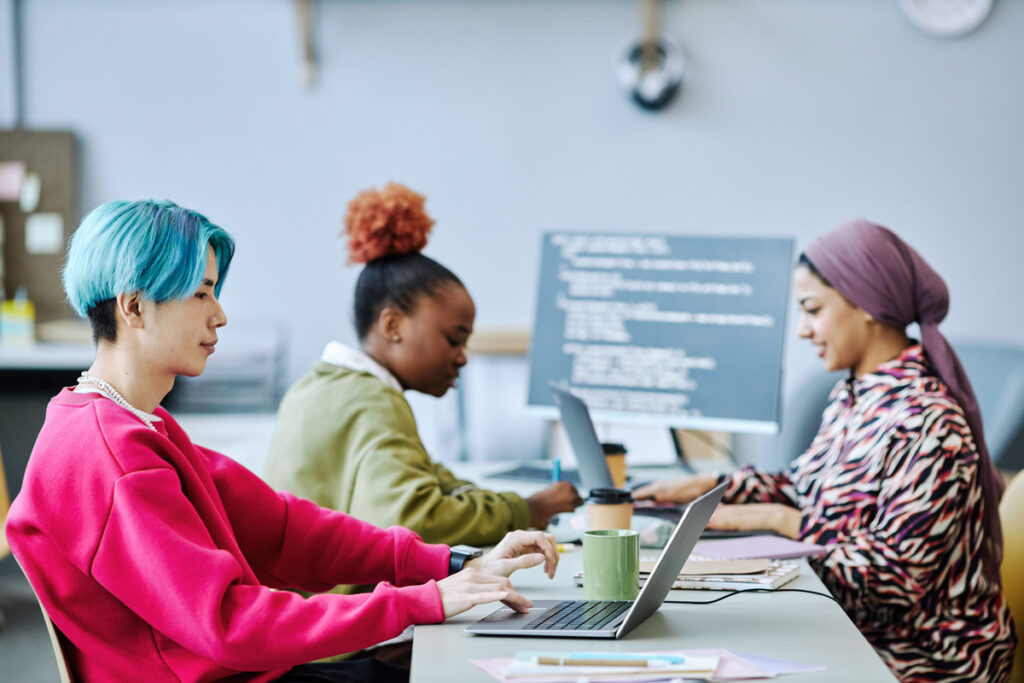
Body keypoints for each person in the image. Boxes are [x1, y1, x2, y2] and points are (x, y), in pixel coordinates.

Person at [4, 199, 560, 683]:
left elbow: (289, 530)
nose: (220, 315)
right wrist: (426, 601)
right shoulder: (110, 454)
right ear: (133, 307)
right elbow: (229, 622)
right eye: (201, 294)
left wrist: (453, 563)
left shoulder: (136, 425)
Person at [635, 219, 1016, 682]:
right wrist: (719, 486)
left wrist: (781, 521)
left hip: (922, 659)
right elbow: (806, 487)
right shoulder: (856, 395)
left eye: (812, 309)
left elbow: (891, 581)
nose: (801, 330)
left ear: (869, 305)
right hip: (855, 631)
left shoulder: (929, 421)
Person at [263, 183, 581, 550]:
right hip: (328, 601)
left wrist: (505, 505)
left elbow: (425, 473)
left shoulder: (321, 384)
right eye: (453, 338)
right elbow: (413, 518)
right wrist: (527, 509)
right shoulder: (373, 400)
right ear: (392, 325)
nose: (462, 356)